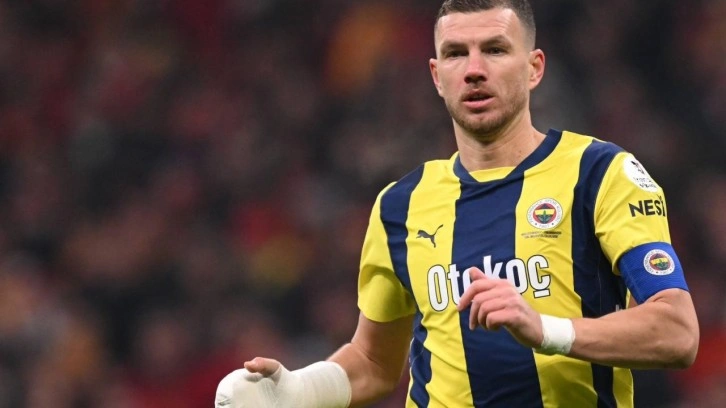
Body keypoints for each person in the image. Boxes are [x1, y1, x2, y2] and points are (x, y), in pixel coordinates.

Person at [215, 0, 700, 406]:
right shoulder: (400, 205)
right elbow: (374, 362)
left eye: (495, 49)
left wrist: (546, 330)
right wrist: (297, 391)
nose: (473, 70)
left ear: (534, 68)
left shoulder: (600, 174)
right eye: (455, 54)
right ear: (436, 75)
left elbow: (677, 332)